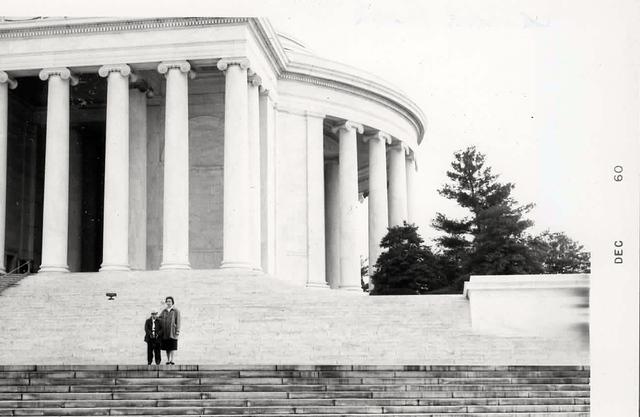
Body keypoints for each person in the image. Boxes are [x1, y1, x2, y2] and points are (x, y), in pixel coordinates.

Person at [159, 296, 180, 365]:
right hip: (165, 332)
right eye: (167, 301)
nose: (168, 303)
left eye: (169, 301)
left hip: (172, 331)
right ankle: (168, 360)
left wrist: (177, 330)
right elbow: (159, 319)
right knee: (167, 347)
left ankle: (172, 360)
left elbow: (178, 321)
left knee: (172, 346)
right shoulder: (164, 311)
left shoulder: (176, 311)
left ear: (172, 302)